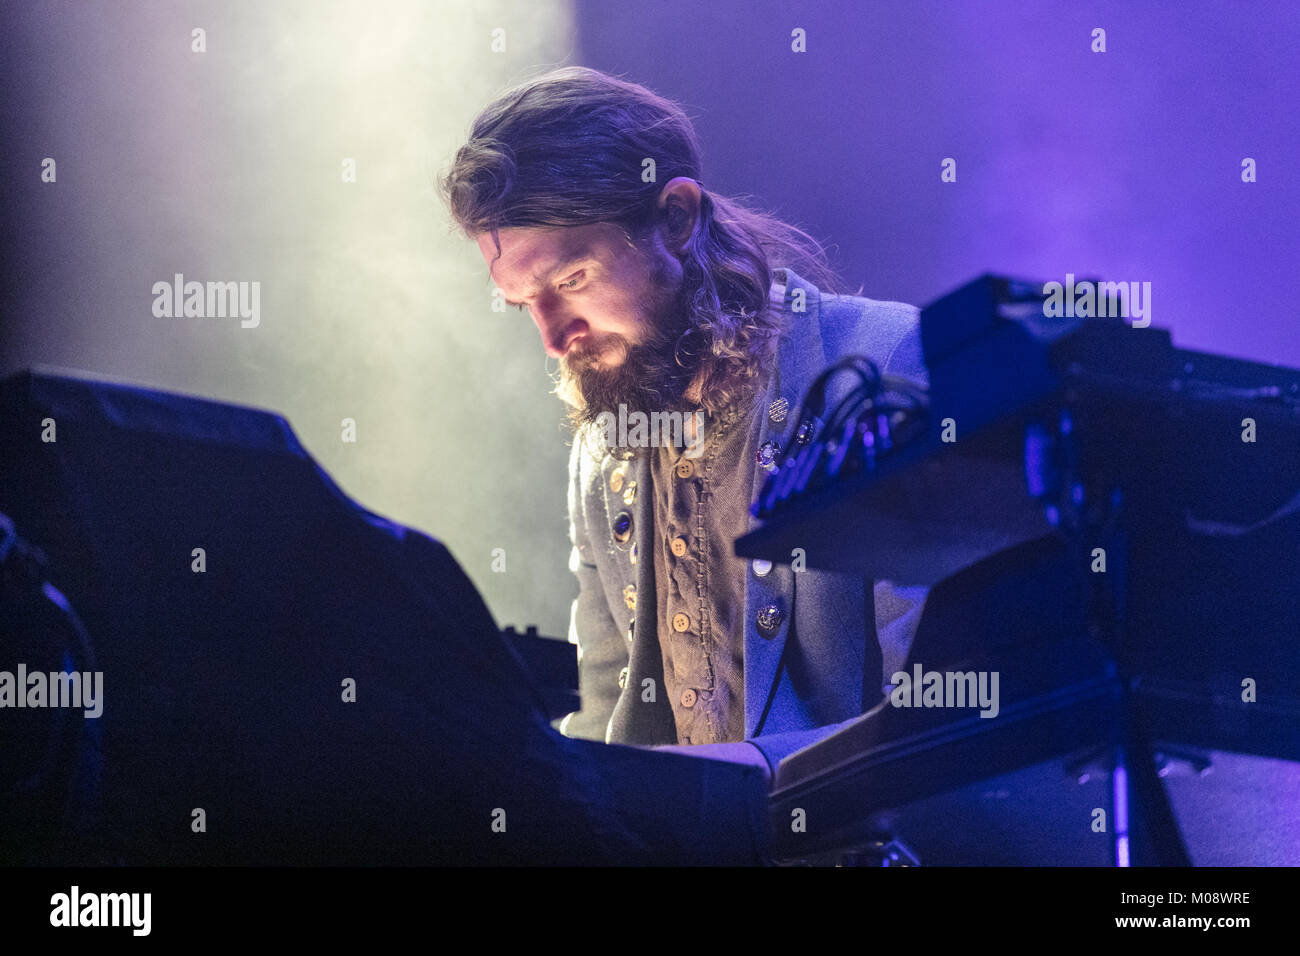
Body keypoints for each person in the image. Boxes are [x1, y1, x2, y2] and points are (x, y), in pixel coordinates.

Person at [439, 66, 929, 787]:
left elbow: (940, 726)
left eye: (572, 280)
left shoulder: (886, 368)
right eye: (524, 304)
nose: (552, 337)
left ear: (676, 217)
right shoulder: (604, 444)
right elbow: (605, 713)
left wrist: (700, 787)